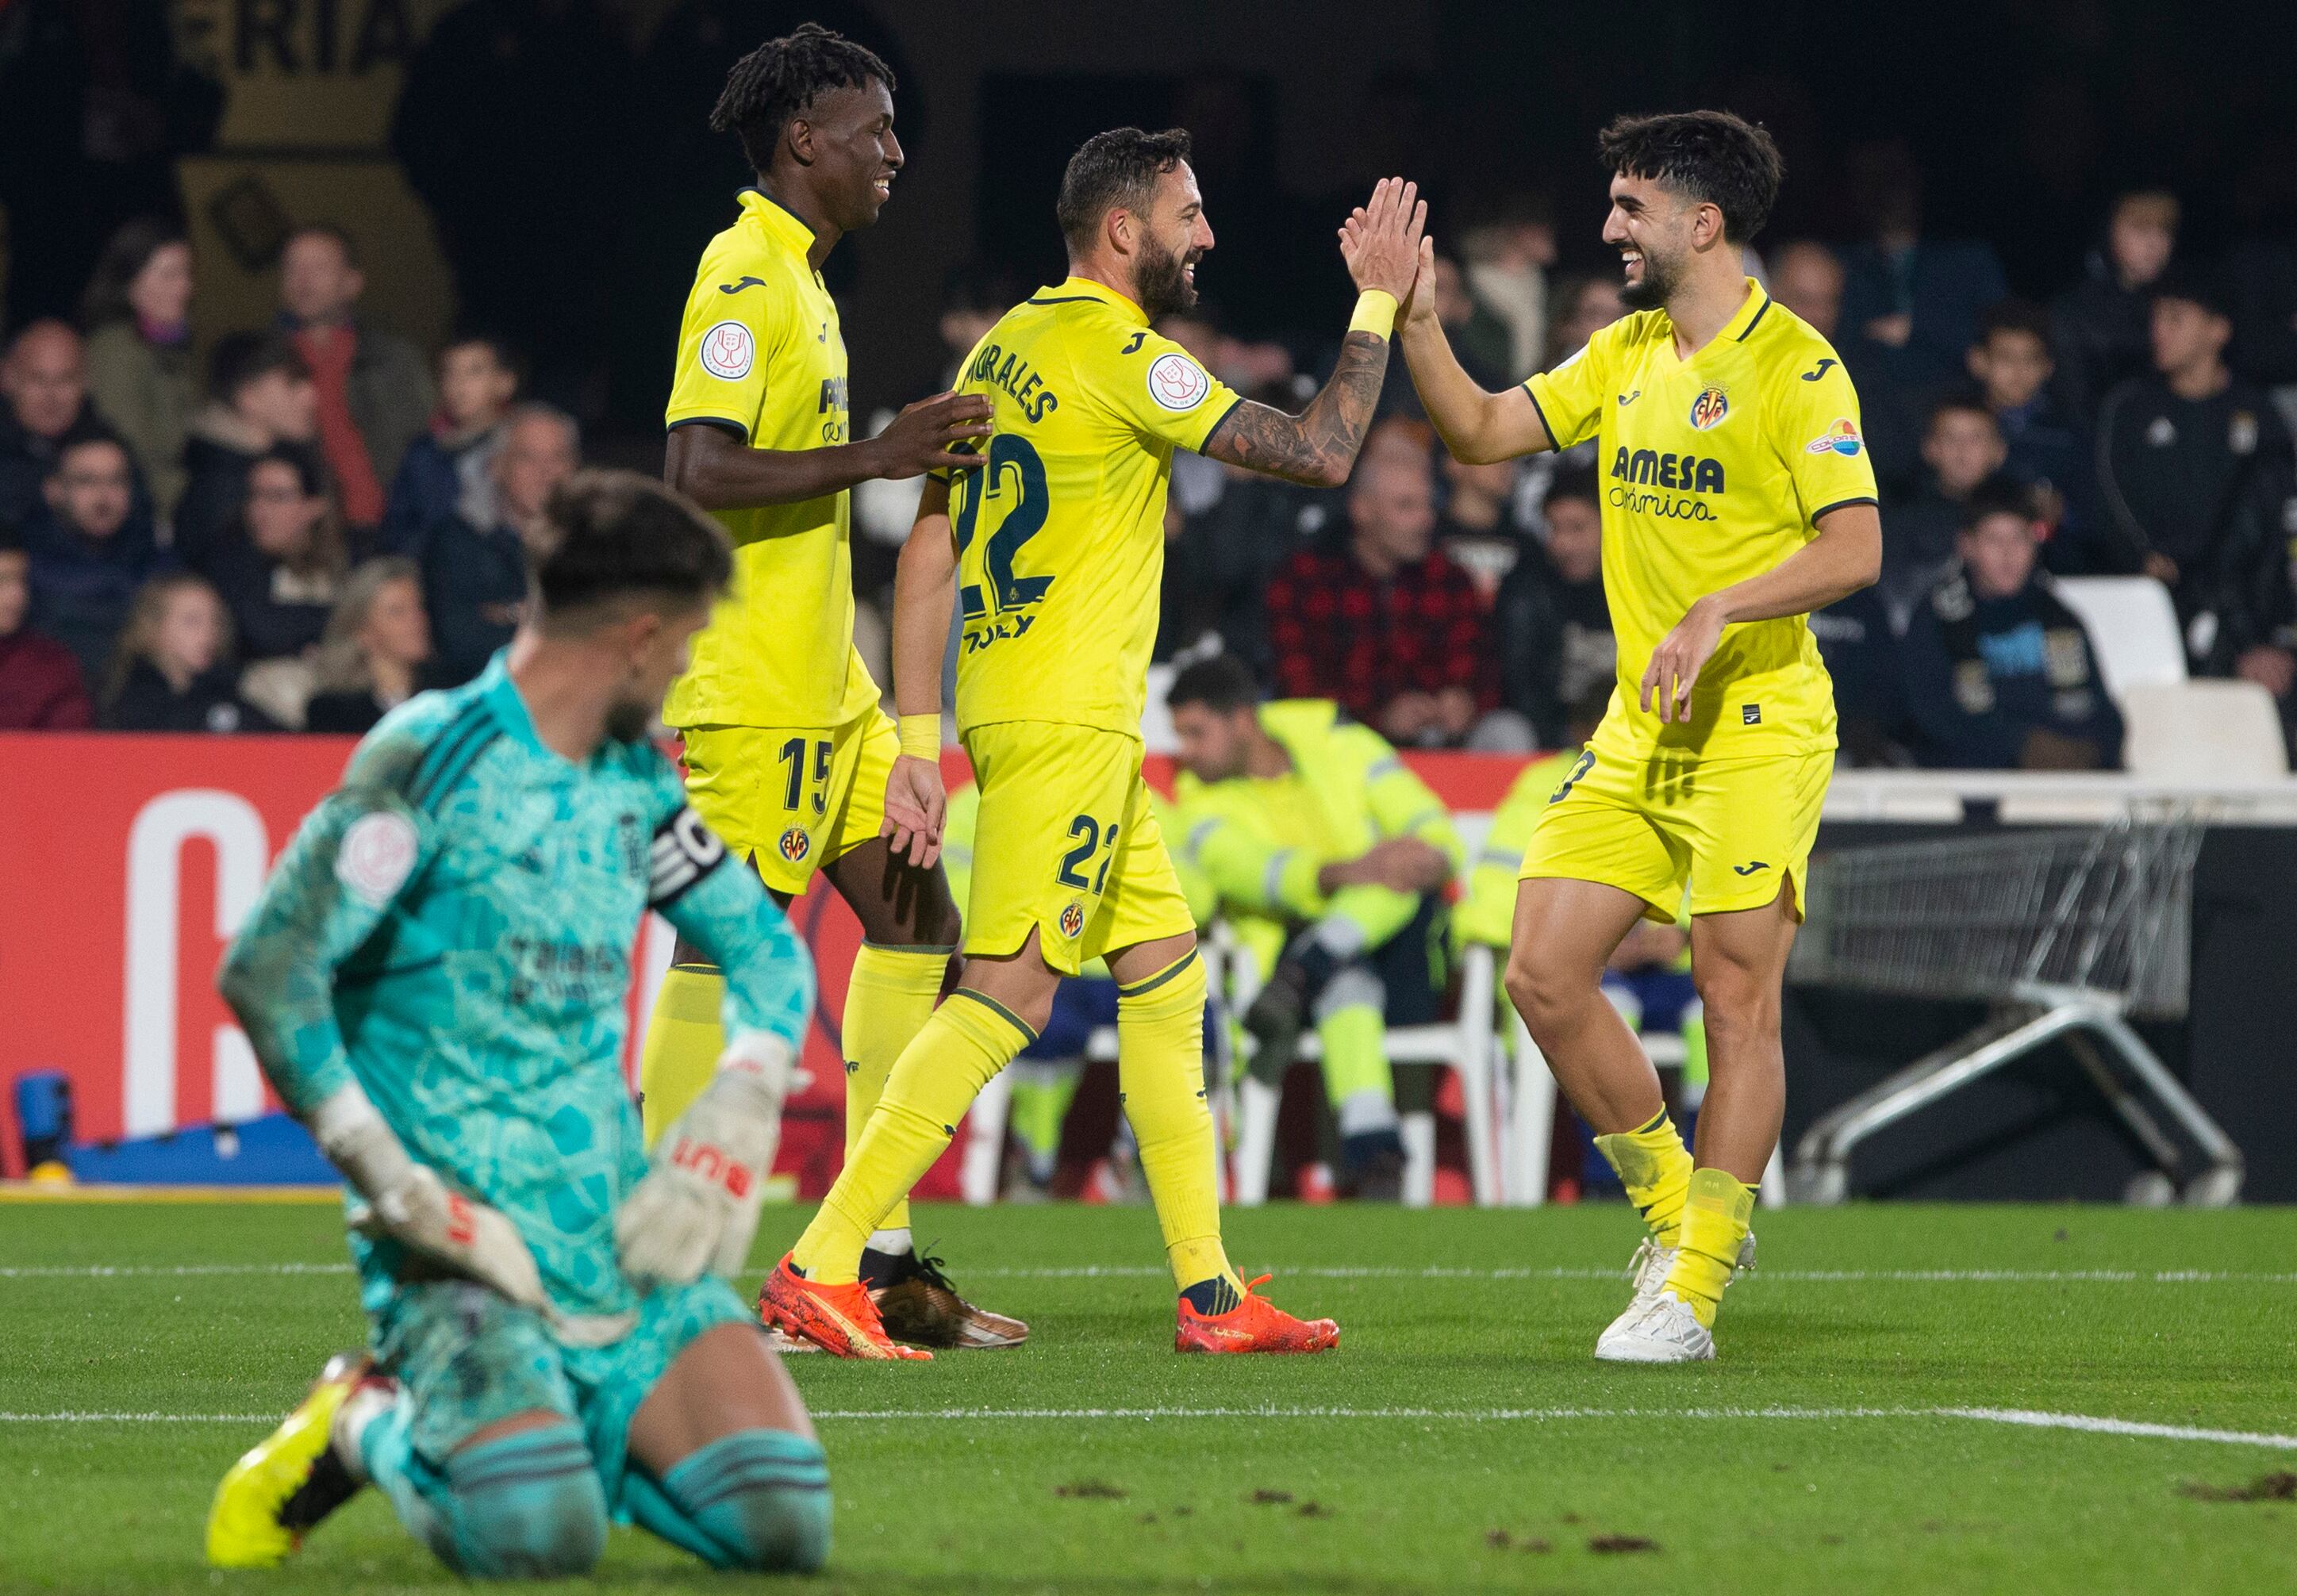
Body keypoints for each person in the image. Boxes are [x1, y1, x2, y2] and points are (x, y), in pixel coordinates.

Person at [763, 130, 1422, 1359]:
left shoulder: (999, 350)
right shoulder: (1125, 356)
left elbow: (926, 548)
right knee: (1009, 990)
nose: (1205, 234)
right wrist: (1376, 299)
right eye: (1188, 213)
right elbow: (1321, 452)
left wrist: (921, 737)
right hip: (1068, 715)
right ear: (1123, 231)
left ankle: (1210, 1296)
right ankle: (820, 1263)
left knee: (1165, 975)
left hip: (1027, 708)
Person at [204, 470, 829, 1579]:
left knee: (781, 1526)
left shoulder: (634, 780)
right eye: (688, 643)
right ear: (640, 638)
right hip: (460, 1254)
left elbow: (765, 951)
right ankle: (365, 1421)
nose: (686, 672)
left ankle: (560, 1436)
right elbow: (270, 971)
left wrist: (741, 1094)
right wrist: (392, 1182)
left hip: (618, 1236)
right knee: (541, 1541)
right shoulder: (433, 758)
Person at [1392, 110, 1882, 1362]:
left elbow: (1853, 548)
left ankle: (1693, 1290)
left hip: (1757, 728)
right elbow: (1479, 435)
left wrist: (1720, 606)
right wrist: (1413, 318)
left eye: (1629, 208)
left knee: (1733, 999)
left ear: (1700, 224)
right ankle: (1674, 1212)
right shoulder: (1625, 351)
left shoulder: (1798, 369)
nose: (1607, 227)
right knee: (1540, 971)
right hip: (1639, 730)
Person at [636, 24, 1023, 1354]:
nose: (896, 153)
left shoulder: (803, 279)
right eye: (876, 130)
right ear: (805, 140)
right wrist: (877, 455)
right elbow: (693, 472)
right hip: (757, 693)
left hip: (831, 686)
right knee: (723, 955)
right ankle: (659, 1275)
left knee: (922, 927)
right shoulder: (742, 273)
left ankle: (873, 1260)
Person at [1166, 655, 1462, 1199]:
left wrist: (1430, 857)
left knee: (1398, 880)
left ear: (1242, 719)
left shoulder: (1338, 739)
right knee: (1347, 976)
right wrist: (1343, 873)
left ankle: (1315, 961)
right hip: (1287, 975)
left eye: (1195, 732)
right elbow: (1247, 873)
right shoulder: (1195, 795)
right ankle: (1374, 1148)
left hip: (1396, 964)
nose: (1184, 751)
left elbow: (1428, 824)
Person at [2096, 268, 2297, 704]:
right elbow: (2107, 494)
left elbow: (2278, 520)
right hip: (2156, 593)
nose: (2159, 331)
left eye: (2175, 318)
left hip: (2242, 607)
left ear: (2217, 330)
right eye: (2155, 318)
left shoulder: (2257, 412)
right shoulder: (2129, 407)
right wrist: (2141, 553)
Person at [1264, 441, 1501, 747]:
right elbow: (1298, 691)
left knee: (1505, 730)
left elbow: (1487, 675)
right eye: (1406, 506)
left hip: (1446, 749)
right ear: (1362, 510)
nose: (1425, 519)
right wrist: (1378, 718)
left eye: (1428, 505)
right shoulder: (1307, 581)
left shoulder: (1450, 579)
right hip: (1341, 750)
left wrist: (1464, 702)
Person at [1898, 485, 2124, 769]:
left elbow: (2102, 715)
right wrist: (2021, 745)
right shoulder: (1939, 618)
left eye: (2019, 538)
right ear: (1967, 546)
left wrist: (2088, 752)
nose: (2008, 553)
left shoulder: (2058, 617)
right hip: (1973, 781)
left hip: (2068, 777)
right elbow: (1931, 717)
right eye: (1993, 540)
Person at [275, 224, 436, 543]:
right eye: (293, 268)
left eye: (319, 268)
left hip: (394, 529)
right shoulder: (267, 365)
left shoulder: (392, 358)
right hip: (310, 537)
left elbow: (428, 443)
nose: (303, 281)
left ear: (352, 282)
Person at [420, 404, 580, 685]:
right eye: (528, 457)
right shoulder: (457, 542)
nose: (545, 472)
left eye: (558, 457)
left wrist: (511, 615)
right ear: (497, 466)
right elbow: (460, 642)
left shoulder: (596, 540)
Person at [23, 432, 168, 686]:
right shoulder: (22, 567)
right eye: (86, 481)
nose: (104, 496)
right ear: (53, 490)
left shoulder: (160, 563)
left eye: (117, 481)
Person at [81, 218, 197, 520]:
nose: (185, 287)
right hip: (145, 513)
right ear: (130, 284)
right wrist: (193, 502)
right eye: (169, 275)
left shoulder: (169, 347)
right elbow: (131, 451)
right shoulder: (116, 349)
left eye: (186, 274)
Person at [1493, 464, 1613, 750]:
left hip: (1630, 734)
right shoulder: (1528, 591)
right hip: (1552, 744)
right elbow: (1523, 692)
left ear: (1612, 524)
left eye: (1577, 528)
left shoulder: (1641, 589)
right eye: (1554, 528)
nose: (1562, 544)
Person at [1966, 299, 2095, 565]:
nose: (2018, 371)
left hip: (2050, 558)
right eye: (2005, 358)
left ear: (2048, 366)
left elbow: (2094, 513)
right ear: (1978, 361)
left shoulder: (2068, 434)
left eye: (2030, 359)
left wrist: (2063, 512)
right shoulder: (1956, 423)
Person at [178, 334, 320, 571]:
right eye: (293, 384)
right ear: (249, 398)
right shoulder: (217, 488)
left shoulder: (290, 459)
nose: (311, 395)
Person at [378, 336, 521, 558]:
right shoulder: (424, 453)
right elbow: (398, 530)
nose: (459, 384)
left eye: (474, 371)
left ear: (505, 383)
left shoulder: (522, 445)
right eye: (450, 373)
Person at [206, 447, 345, 668]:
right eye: (254, 495)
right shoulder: (230, 559)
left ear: (315, 506)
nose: (259, 509)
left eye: (277, 497)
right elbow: (260, 630)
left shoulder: (351, 557)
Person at [2053, 190, 2177, 423]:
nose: (2155, 243)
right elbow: (2074, 403)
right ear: (2108, 232)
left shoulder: (2180, 305)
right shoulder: (2075, 310)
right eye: (2141, 229)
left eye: (2164, 231)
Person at [1881, 396, 2008, 620]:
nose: (1962, 450)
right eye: (1950, 437)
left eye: (1975, 438)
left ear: (1999, 451)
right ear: (1929, 448)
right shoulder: (1897, 515)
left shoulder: (2020, 512)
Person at [101, 572, 275, 733]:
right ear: (153, 627)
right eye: (192, 620)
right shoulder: (131, 701)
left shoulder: (225, 691)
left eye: (215, 621)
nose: (208, 633)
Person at [305, 558, 438, 735]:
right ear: (362, 631)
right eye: (398, 611)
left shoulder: (449, 698)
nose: (417, 619)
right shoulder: (332, 712)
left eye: (419, 607)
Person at [0, 320, 108, 531]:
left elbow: (139, 527)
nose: (51, 396)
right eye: (37, 379)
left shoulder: (104, 444)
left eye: (65, 380)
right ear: (8, 378)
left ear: (86, 383)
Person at [0, 526, 94, 728]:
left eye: (21, 580)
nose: (17, 594)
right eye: (2, 581)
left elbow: (70, 741)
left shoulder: (52, 665)